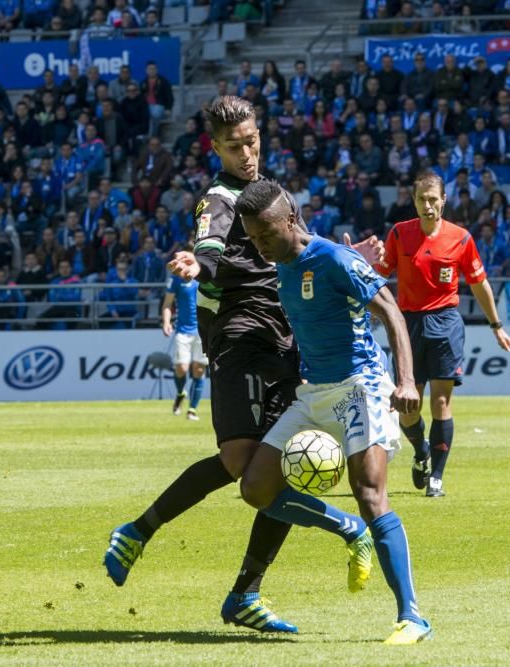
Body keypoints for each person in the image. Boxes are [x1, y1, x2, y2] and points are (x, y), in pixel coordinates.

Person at [103, 96, 383, 633]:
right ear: (216, 148)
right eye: (235, 146)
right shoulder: (218, 198)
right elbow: (208, 248)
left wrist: (353, 259)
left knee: (273, 466)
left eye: (252, 140)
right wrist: (195, 262)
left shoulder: (271, 195)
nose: (247, 152)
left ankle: (245, 593)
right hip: (240, 334)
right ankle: (139, 531)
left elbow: (302, 249)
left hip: (284, 339)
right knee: (240, 461)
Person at [230, 179, 431, 644]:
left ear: (290, 220)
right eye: (253, 239)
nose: (260, 247)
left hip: (359, 386)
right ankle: (349, 530)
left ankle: (412, 617)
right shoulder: (281, 263)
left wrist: (404, 381)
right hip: (314, 392)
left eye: (265, 236)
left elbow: (392, 313)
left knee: (370, 491)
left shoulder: (335, 259)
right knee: (256, 488)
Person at [375, 172, 510, 498]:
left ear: (443, 200)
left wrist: (496, 325)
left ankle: (436, 475)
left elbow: (479, 284)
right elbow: (377, 277)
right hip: (407, 325)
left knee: (440, 401)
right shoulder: (398, 234)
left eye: (433, 199)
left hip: (446, 322)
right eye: (422, 199)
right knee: (408, 407)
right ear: (414, 200)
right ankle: (422, 450)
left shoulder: (461, 238)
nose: (428, 205)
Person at [163, 259, 207, 422]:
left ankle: (192, 409)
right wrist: (166, 322)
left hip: (202, 331)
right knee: (181, 368)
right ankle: (181, 393)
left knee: (199, 370)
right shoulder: (176, 279)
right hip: (182, 331)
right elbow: (167, 304)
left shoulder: (204, 277)